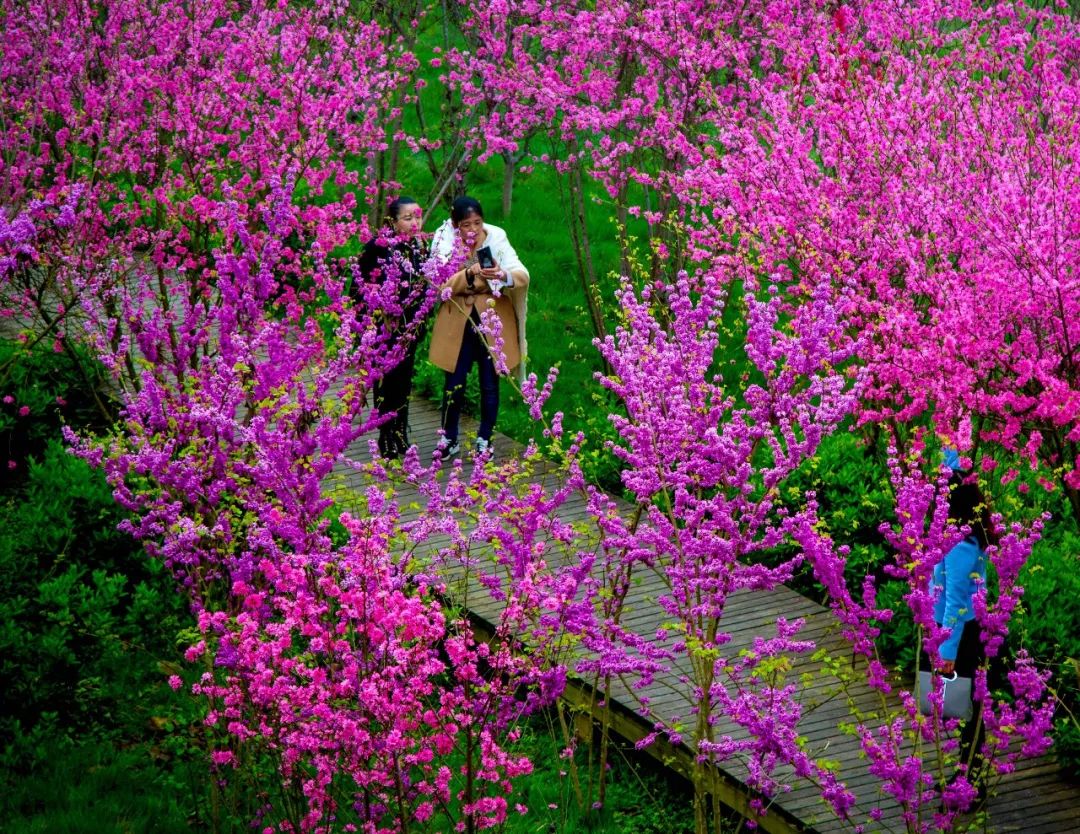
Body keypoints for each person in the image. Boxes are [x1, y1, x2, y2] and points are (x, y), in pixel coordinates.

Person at [428, 196, 529, 457]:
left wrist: (502, 275)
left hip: (492, 321)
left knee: (489, 383)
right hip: (458, 321)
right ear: (455, 226)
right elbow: (442, 284)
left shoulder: (496, 239)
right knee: (454, 382)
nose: (472, 230)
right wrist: (470, 274)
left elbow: (520, 273)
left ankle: (486, 439)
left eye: (477, 222)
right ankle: (449, 438)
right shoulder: (444, 242)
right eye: (466, 225)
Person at [922, 449, 993, 800]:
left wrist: (946, 651)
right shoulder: (964, 537)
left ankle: (971, 784)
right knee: (963, 707)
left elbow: (956, 602)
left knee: (965, 708)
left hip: (961, 635)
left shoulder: (961, 545)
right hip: (958, 631)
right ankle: (964, 776)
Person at [357, 196, 428, 459]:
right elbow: (359, 286)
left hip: (410, 327)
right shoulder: (378, 247)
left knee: (404, 382)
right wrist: (378, 312)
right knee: (385, 381)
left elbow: (425, 286)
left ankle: (401, 431)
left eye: (417, 217)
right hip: (384, 329)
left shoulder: (420, 246)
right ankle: (385, 434)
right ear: (393, 221)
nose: (414, 223)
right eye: (407, 218)